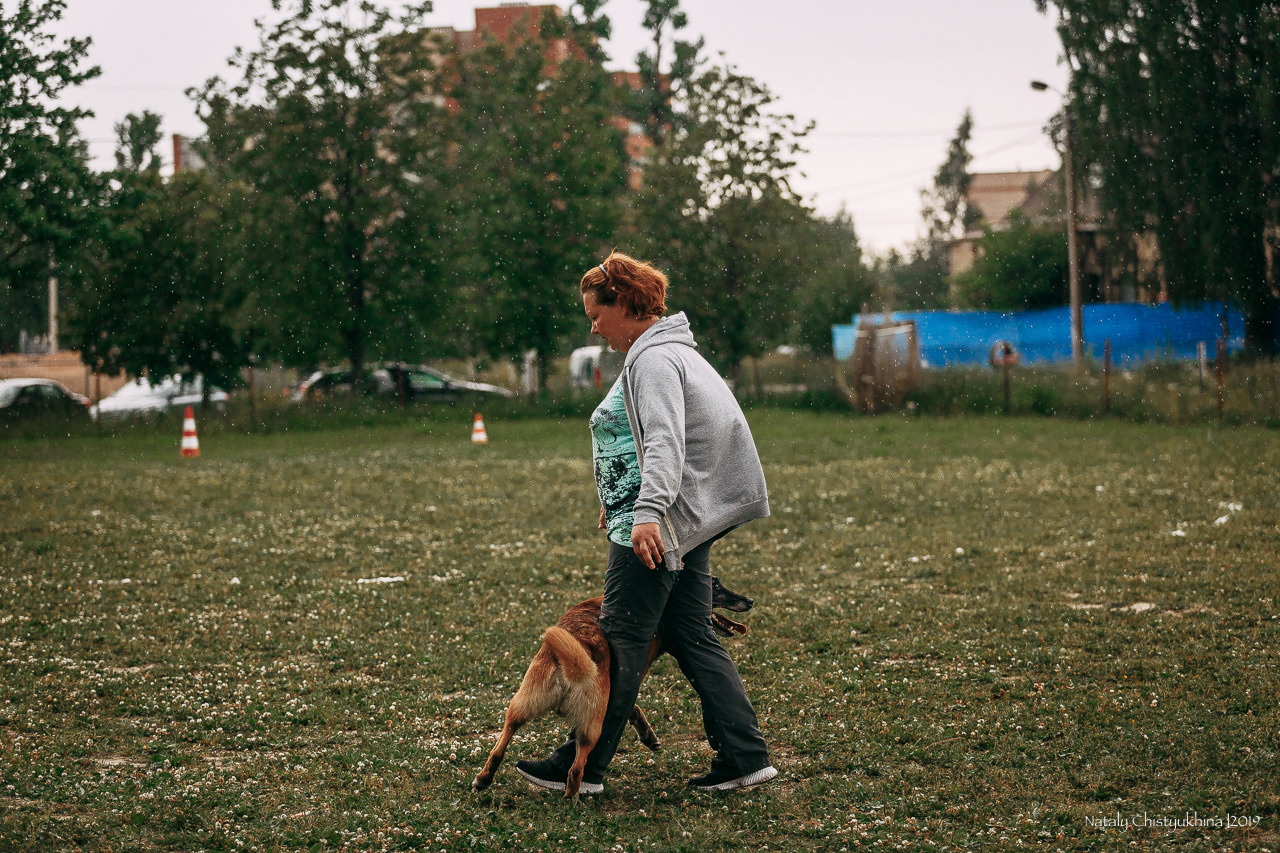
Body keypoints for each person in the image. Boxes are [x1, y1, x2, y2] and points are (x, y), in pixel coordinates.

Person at [515, 251, 776, 794]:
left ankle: (581, 767)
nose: (593, 326)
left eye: (596, 314)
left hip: (670, 517)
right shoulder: (671, 350)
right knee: (689, 631)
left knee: (623, 635)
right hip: (690, 511)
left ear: (626, 305)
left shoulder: (654, 360)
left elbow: (664, 441)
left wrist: (647, 513)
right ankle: (745, 757)